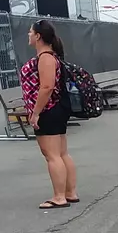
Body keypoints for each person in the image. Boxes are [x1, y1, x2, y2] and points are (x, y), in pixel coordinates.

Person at [19, 20, 80, 210]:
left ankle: (59, 196)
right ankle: (70, 192)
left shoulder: (45, 58)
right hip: (58, 108)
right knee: (62, 153)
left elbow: (46, 86)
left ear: (38, 36)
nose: (28, 35)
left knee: (51, 155)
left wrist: (35, 113)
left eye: (30, 32)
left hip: (49, 109)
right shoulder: (53, 56)